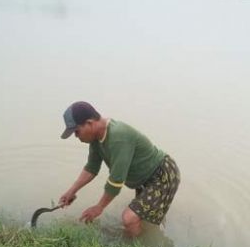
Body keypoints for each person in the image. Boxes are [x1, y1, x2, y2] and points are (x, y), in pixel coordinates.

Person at [58, 101, 180, 237]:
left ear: (90, 123)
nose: (76, 137)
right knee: (142, 217)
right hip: (144, 178)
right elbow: (91, 168)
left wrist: (99, 207)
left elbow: (116, 181)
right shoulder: (96, 139)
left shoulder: (118, 137)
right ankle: (144, 239)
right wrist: (71, 191)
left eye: (76, 131)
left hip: (161, 175)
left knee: (129, 219)